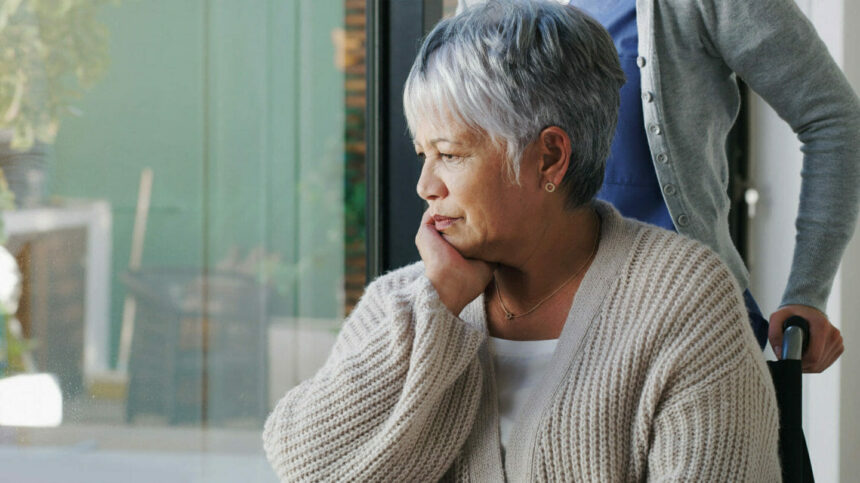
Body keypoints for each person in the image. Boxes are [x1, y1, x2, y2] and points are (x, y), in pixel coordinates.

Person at [262, 1, 780, 480]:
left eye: (450, 154)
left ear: (550, 157)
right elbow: (306, 468)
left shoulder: (685, 299)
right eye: (424, 154)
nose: (425, 186)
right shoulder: (403, 300)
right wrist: (437, 306)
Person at [457, 0, 860, 373]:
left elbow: (833, 119)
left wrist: (807, 291)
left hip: (685, 337)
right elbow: (453, 141)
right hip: (514, 345)